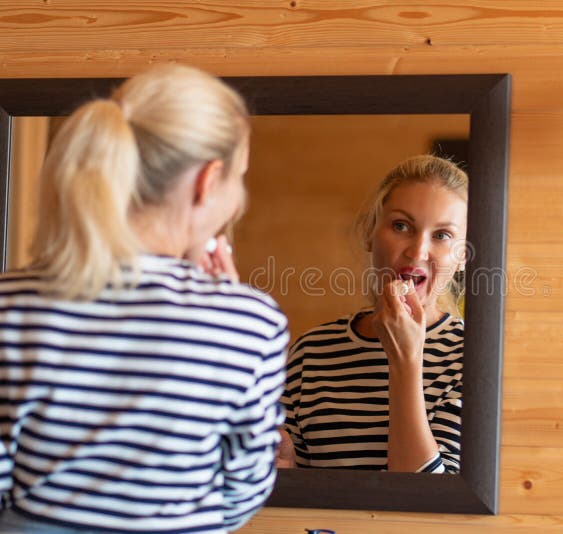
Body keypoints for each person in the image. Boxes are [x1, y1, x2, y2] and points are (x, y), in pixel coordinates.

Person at [0, 64, 288, 533]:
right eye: (241, 178)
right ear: (208, 182)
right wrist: (228, 312)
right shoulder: (250, 324)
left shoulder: (10, 303)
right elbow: (243, 492)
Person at [280, 155, 467, 474]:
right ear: (370, 233)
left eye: (442, 235)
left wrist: (405, 361)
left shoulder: (470, 358)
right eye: (401, 226)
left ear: (462, 256)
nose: (417, 251)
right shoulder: (311, 353)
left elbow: (429, 501)